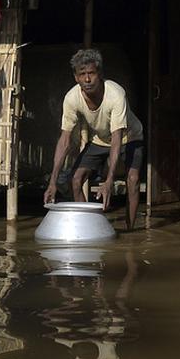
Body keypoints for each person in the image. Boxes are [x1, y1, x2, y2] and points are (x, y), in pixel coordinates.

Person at [44, 49, 145, 230]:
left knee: (133, 179)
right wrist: (52, 181)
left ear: (100, 75)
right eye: (82, 74)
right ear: (76, 77)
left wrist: (109, 181)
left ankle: (130, 232)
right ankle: (88, 228)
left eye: (91, 73)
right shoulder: (72, 98)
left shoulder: (116, 95)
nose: (87, 79)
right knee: (75, 179)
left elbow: (117, 139)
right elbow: (65, 140)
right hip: (100, 139)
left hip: (129, 136)